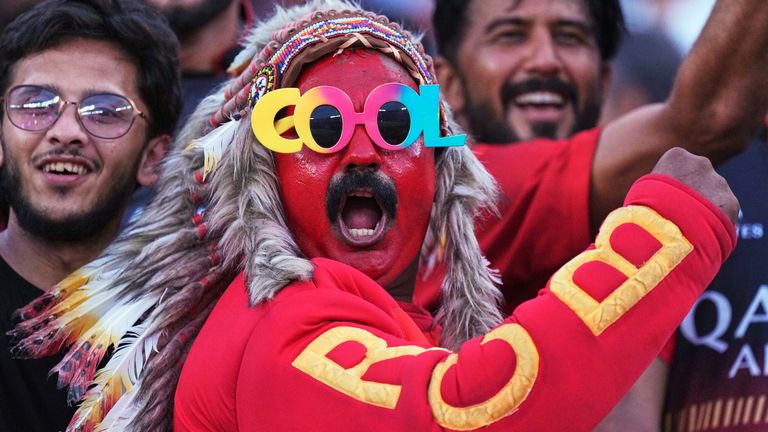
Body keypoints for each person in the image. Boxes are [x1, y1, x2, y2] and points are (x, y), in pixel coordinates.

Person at [9, 1, 739, 430]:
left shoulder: (386, 314)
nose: (362, 152)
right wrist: (670, 226)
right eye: (321, 126)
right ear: (264, 175)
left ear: (442, 167)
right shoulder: (282, 327)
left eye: (394, 123)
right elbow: (473, 408)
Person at [0, 0, 181, 430]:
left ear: (154, 158)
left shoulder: (184, 333)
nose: (65, 132)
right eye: (35, 104)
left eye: (105, 112)